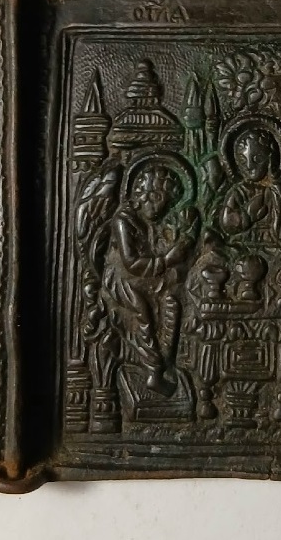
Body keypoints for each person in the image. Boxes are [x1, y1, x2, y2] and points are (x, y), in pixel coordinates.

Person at [103, 163, 198, 396]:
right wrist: (166, 260)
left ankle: (166, 359)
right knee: (142, 311)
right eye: (158, 201)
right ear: (144, 195)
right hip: (123, 280)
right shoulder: (123, 221)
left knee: (172, 300)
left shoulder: (152, 222)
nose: (160, 210)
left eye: (166, 205)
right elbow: (131, 262)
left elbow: (158, 247)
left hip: (147, 276)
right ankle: (153, 371)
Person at [218, 127, 281, 246]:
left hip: (275, 246)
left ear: (270, 159)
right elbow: (227, 223)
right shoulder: (238, 192)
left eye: (257, 159)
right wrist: (246, 216)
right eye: (243, 160)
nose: (249, 166)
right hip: (244, 244)